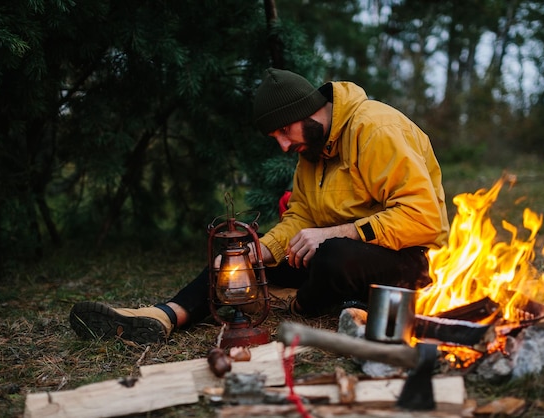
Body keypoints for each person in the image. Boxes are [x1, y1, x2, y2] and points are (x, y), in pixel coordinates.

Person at [69, 68, 450, 344]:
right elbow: (301, 215)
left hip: (402, 264)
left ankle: (299, 305)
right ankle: (166, 316)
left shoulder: (377, 130)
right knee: (237, 258)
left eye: (285, 132)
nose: (284, 146)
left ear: (307, 113)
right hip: (335, 257)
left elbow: (425, 219)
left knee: (333, 253)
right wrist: (260, 251)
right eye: (276, 138)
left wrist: (336, 232)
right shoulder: (314, 149)